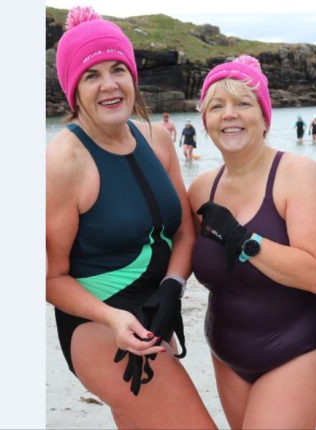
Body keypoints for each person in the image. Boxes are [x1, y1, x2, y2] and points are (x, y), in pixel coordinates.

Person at [45, 7, 216, 429]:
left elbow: (183, 232)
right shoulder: (64, 162)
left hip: (156, 312)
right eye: (91, 75)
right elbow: (50, 278)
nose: (109, 84)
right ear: (73, 89)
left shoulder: (157, 140)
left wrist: (173, 287)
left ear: (133, 76)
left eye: (117, 69)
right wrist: (114, 318)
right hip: (98, 323)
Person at [188, 54, 316, 429]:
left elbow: (315, 274)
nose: (229, 114)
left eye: (243, 103)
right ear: (205, 121)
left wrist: (241, 238)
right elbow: (175, 249)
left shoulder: (297, 173)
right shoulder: (201, 189)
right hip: (226, 351)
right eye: (217, 106)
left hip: (298, 347)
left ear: (264, 116)